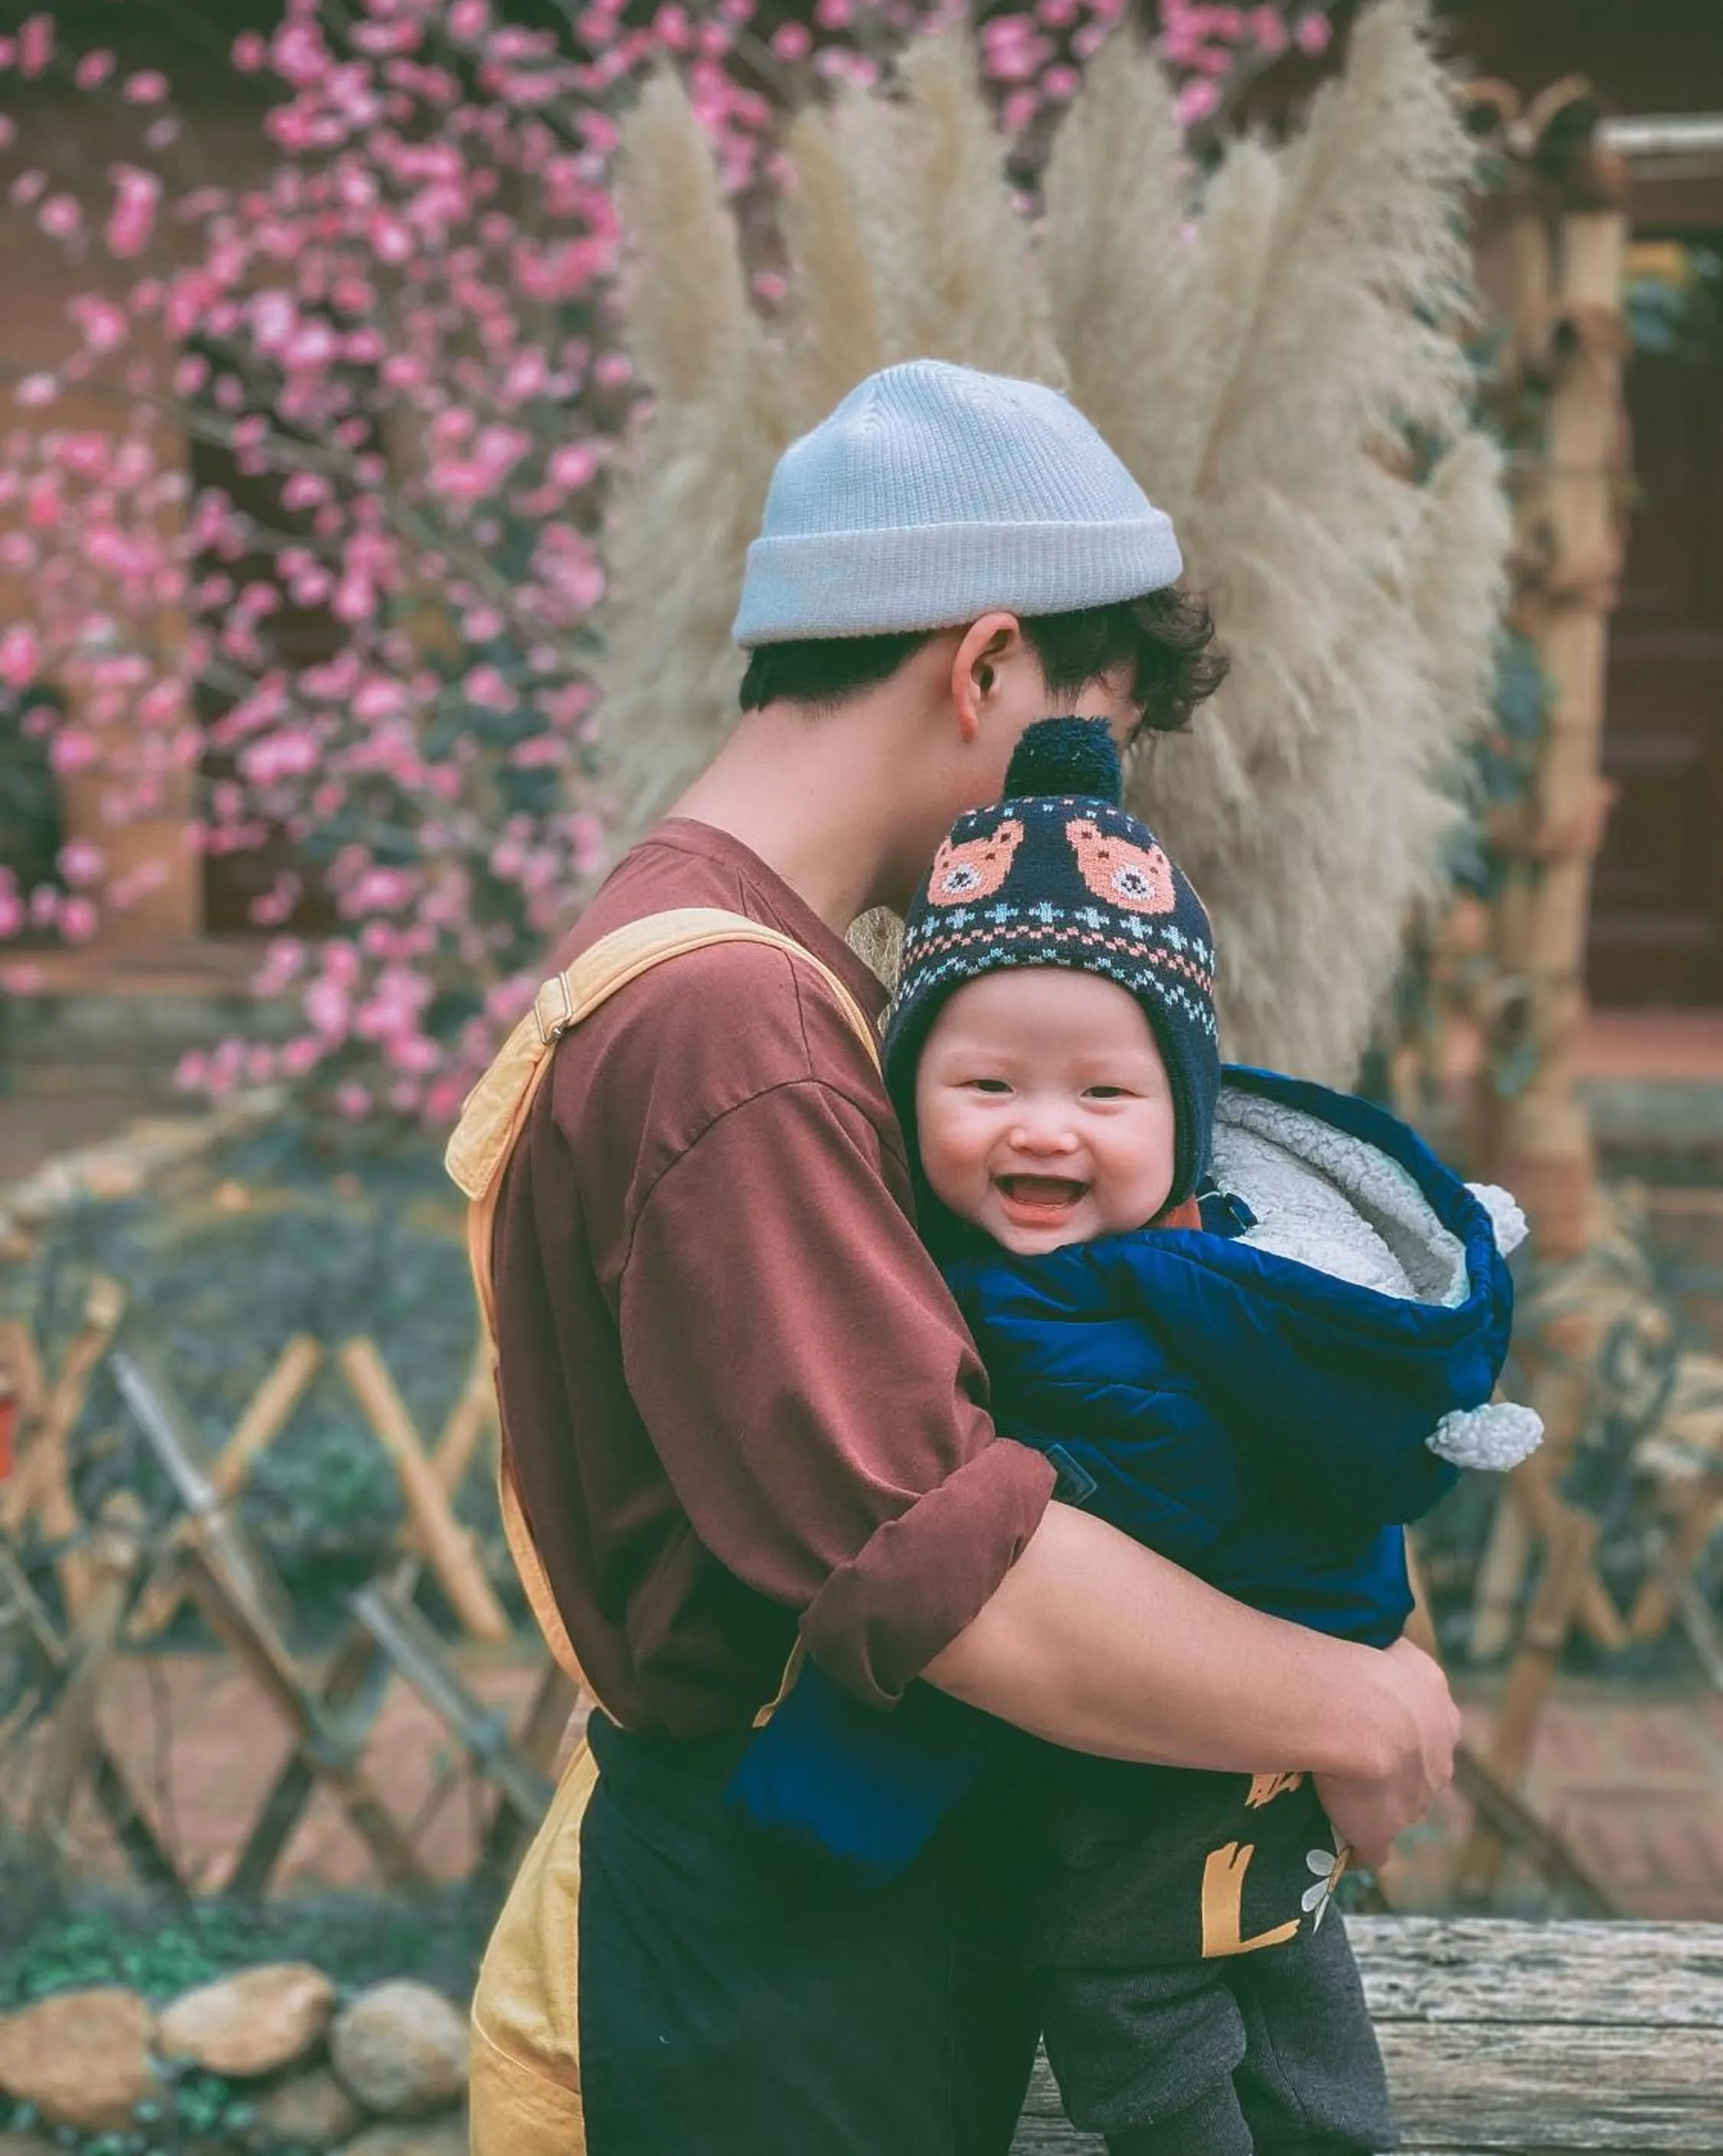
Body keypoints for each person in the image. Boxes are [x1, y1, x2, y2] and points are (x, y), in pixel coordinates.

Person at [466, 359, 1461, 2156]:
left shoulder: (750, 965)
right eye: (1091, 723)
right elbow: (952, 1573)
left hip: (781, 1952)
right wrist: (1356, 1699)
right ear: (985, 661)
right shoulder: (734, 1024)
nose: (1088, 817)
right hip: (739, 1995)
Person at [731, 714, 1542, 2154]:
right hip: (1216, 1754)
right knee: (1250, 2020)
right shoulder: (951, 1286)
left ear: (1185, 1114)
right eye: (985, 1086)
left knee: (1172, 2024)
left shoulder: (1153, 1300)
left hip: (1155, 1767)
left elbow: (1105, 1511)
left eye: (1104, 1093)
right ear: (903, 1093)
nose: (1044, 1129)